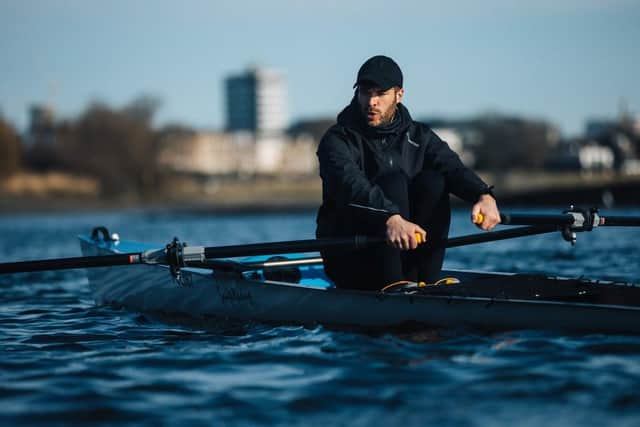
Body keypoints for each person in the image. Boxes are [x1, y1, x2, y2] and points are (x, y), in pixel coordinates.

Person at [316, 55, 501, 291]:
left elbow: (452, 167)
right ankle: (395, 286)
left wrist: (483, 195)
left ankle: (428, 282)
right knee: (393, 181)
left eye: (380, 93)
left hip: (407, 258)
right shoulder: (336, 140)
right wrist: (390, 218)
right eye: (365, 92)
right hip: (352, 257)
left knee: (434, 181)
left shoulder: (419, 136)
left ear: (399, 94)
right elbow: (351, 187)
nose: (371, 101)